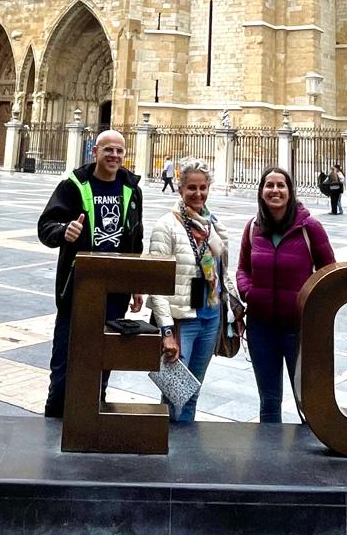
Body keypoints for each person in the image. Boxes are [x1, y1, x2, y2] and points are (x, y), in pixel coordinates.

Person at [37, 128, 144, 418]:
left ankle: (91, 417)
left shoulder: (132, 191)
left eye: (119, 150)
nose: (114, 155)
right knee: (65, 362)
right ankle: (55, 421)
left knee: (103, 362)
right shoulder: (73, 186)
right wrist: (64, 231)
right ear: (94, 152)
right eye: (108, 149)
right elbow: (45, 227)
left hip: (114, 292)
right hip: (77, 289)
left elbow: (136, 240)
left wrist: (136, 284)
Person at [237, 166, 335, 424]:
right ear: (261, 192)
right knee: (268, 402)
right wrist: (249, 292)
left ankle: (309, 462)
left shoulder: (309, 227)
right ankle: (269, 460)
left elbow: (328, 272)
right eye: (269, 185)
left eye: (281, 185)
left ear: (291, 192)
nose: (275, 190)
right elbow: (243, 268)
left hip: (298, 329)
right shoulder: (253, 228)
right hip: (261, 328)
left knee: (307, 401)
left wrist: (310, 307)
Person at [147, 157, 228, 424]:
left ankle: (187, 448)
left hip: (210, 317)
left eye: (203, 187)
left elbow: (222, 269)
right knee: (174, 393)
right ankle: (170, 449)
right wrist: (166, 331)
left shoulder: (213, 224)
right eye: (192, 188)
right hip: (183, 321)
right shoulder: (166, 226)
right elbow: (156, 284)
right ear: (180, 189)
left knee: (192, 390)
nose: (198, 193)